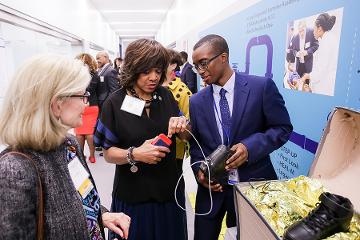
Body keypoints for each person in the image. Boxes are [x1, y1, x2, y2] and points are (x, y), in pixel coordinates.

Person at [0, 54, 130, 239]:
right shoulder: (13, 171)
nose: (86, 104)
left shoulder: (69, 145)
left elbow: (81, 198)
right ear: (56, 104)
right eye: (82, 95)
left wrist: (100, 215)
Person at [189, 34, 293, 240]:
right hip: (212, 190)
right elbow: (196, 146)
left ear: (223, 57)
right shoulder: (196, 101)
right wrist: (199, 173)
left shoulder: (261, 88)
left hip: (253, 184)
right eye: (195, 66)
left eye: (203, 63)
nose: (200, 71)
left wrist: (250, 148)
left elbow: (282, 128)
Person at [94, 39, 189, 240]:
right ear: (133, 69)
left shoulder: (166, 96)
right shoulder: (115, 102)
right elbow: (109, 153)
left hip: (168, 192)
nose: (153, 77)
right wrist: (134, 154)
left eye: (158, 71)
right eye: (146, 71)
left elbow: (185, 135)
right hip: (134, 195)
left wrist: (182, 125)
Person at [299, 13, 337, 96]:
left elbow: (320, 70)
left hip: (324, 87)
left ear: (319, 28)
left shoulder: (327, 42)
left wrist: (306, 76)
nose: (313, 32)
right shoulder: (330, 39)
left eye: (314, 28)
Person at [74, 53, 100, 163]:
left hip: (79, 105)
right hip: (92, 105)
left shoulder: (75, 76)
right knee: (90, 133)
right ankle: (92, 156)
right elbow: (94, 90)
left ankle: (81, 157)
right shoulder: (95, 76)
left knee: (79, 133)